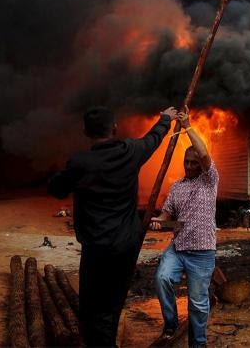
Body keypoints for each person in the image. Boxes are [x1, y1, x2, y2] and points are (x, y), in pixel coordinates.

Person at [48, 105, 177, 346]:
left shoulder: (80, 163)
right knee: (111, 307)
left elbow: (57, 188)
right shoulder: (131, 151)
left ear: (86, 132)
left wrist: (57, 176)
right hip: (125, 248)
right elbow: (153, 139)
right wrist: (165, 119)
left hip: (95, 249)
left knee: (90, 307)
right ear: (115, 128)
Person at [150, 107, 219, 348]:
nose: (189, 165)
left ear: (201, 165)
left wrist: (188, 126)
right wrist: (159, 220)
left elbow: (203, 152)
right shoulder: (177, 187)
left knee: (198, 304)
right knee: (162, 278)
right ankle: (170, 323)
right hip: (178, 249)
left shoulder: (210, 181)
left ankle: (198, 344)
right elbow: (167, 212)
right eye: (186, 162)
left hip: (202, 253)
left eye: (194, 162)